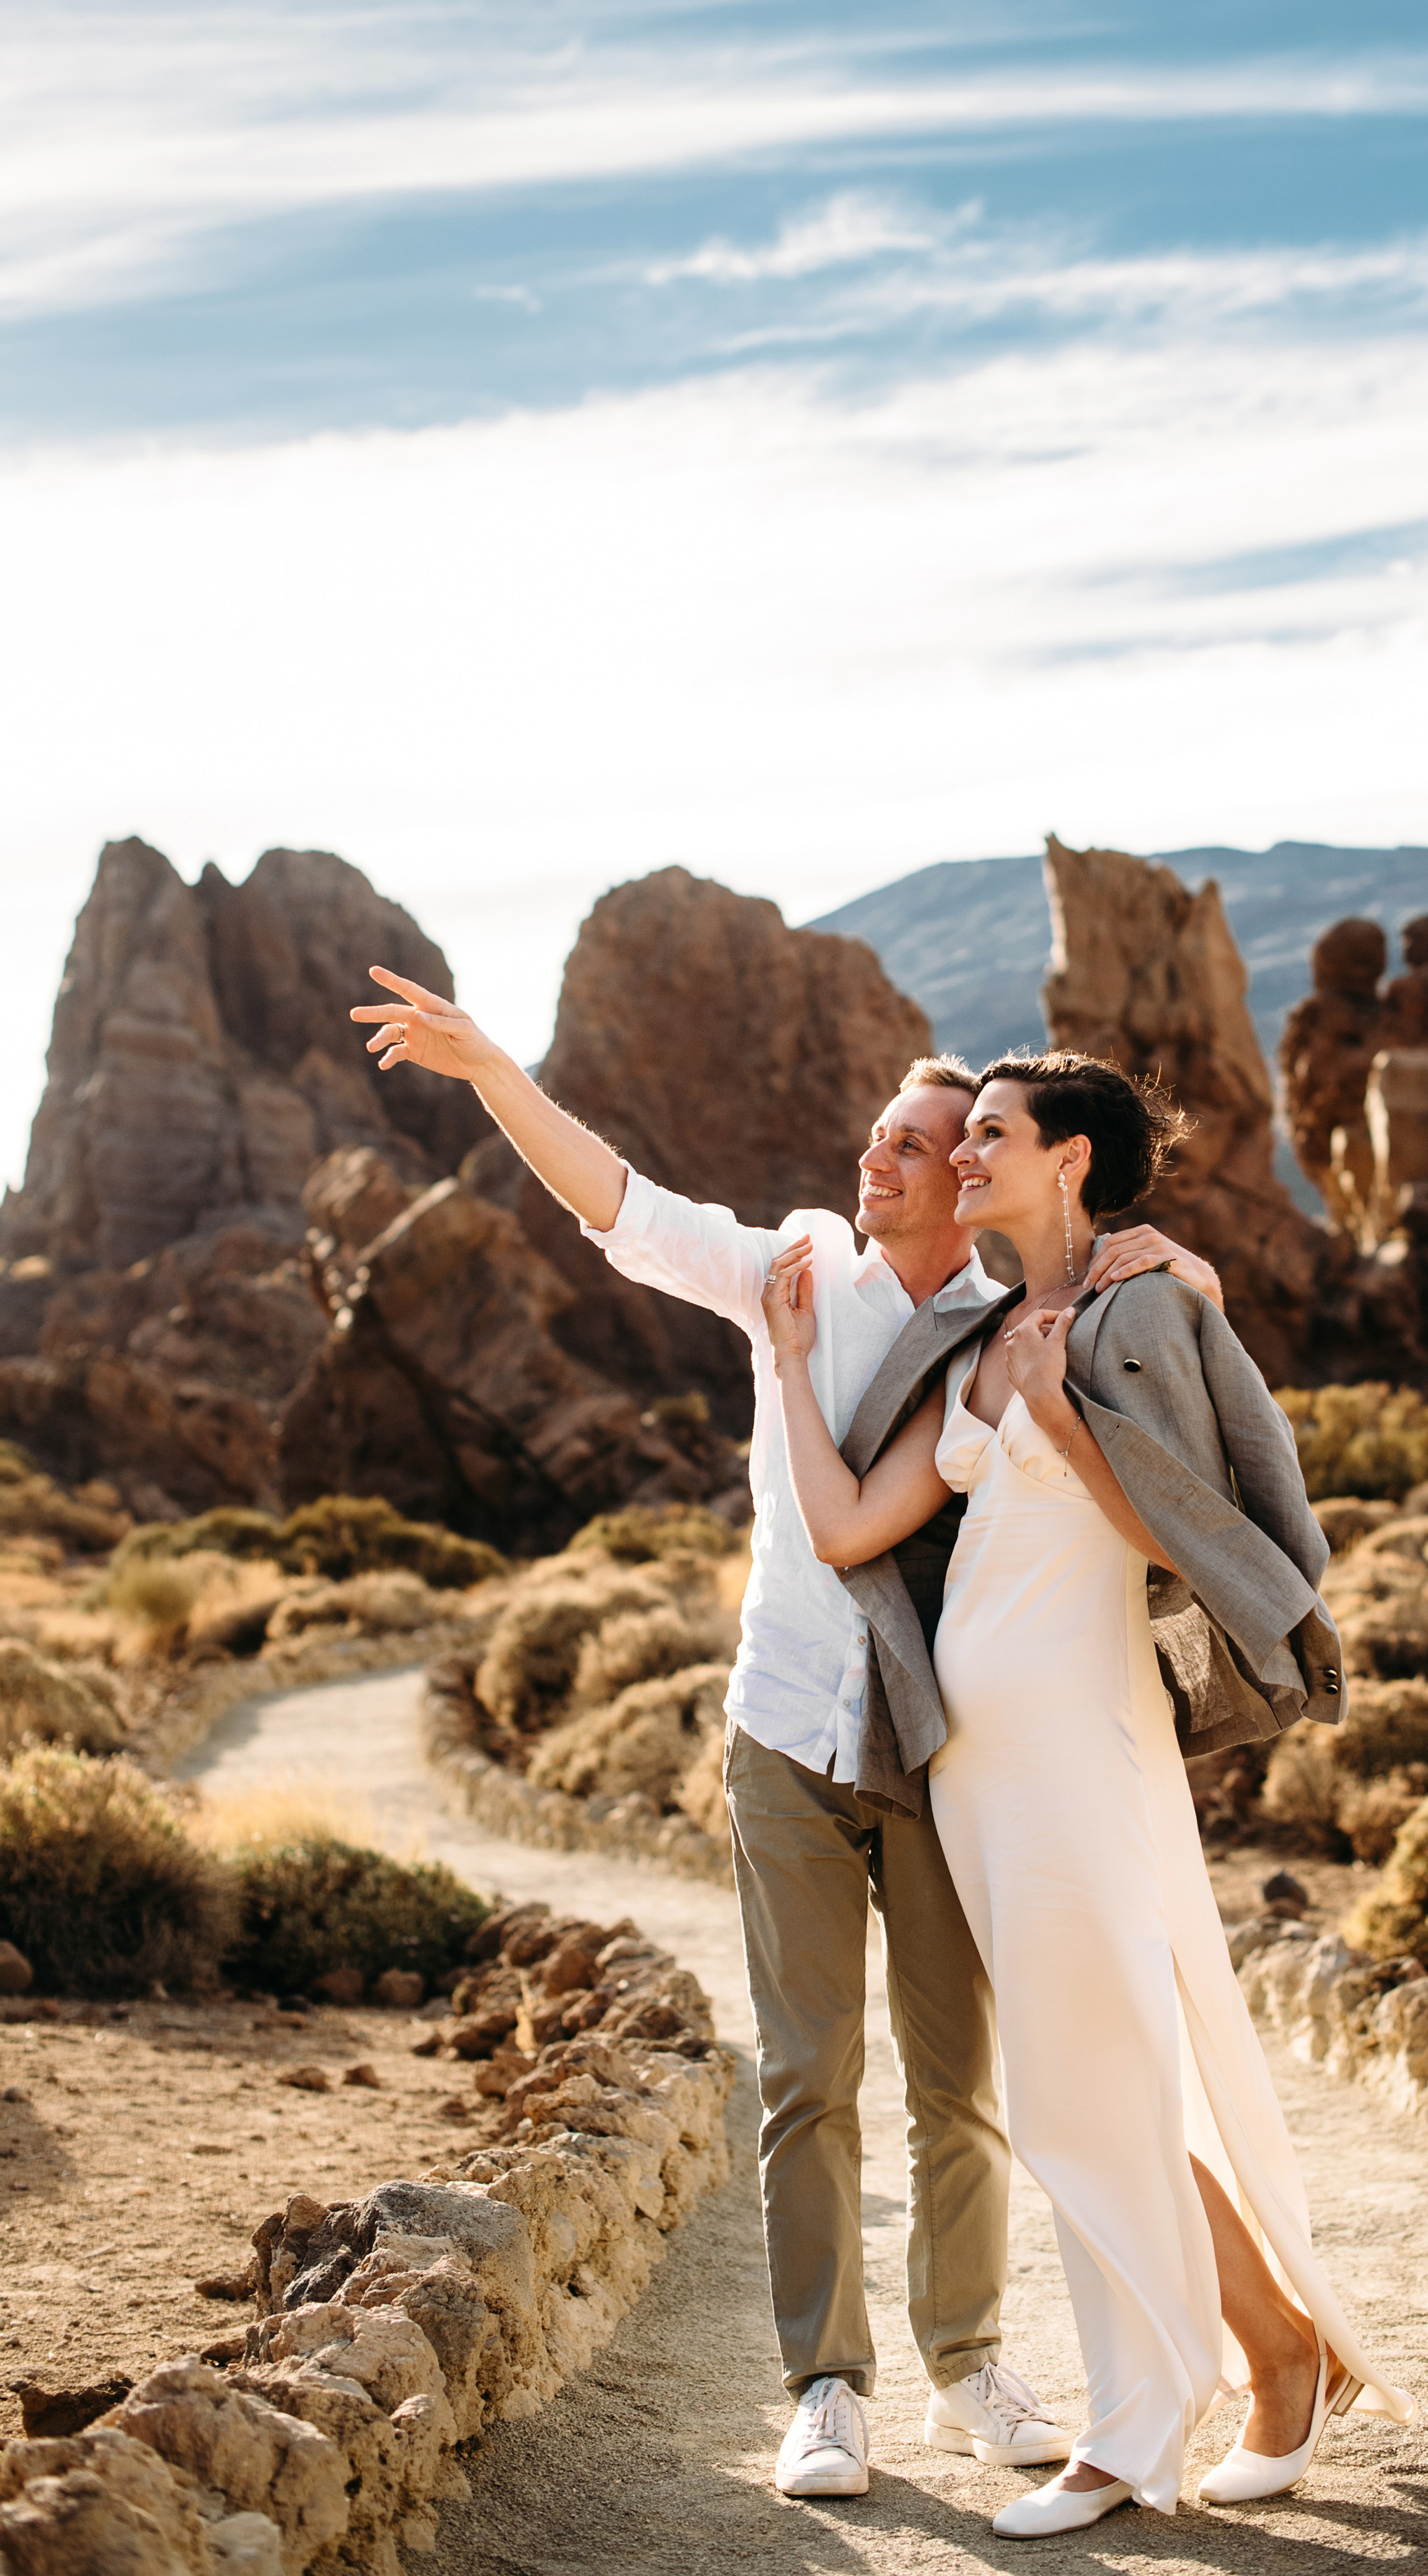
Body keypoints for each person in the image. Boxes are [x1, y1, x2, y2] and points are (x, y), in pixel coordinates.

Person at [349, 966, 1225, 2501]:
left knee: (957, 2078)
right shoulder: (796, 1265)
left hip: (937, 1742)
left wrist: (1166, 1260)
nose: (876, 1158)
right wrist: (488, 1068)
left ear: (973, 1177)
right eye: (878, 1134)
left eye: (916, 1144)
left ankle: (965, 2364)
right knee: (807, 2075)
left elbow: (1149, 1357)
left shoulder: (1009, 1319)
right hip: (783, 1733)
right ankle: (827, 2384)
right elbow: (623, 1207)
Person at [763, 1049, 1415, 2535]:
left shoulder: (1139, 1308)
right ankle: (1272, 2349)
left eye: (990, 1134)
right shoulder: (979, 1334)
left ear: (1069, 1158)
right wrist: (790, 1370)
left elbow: (1191, 1529)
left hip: (1078, 1743)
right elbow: (850, 1519)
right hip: (978, 1767)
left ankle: (1134, 2426)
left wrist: (1067, 1411)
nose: (963, 1154)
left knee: (1077, 2082)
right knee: (1084, 2077)